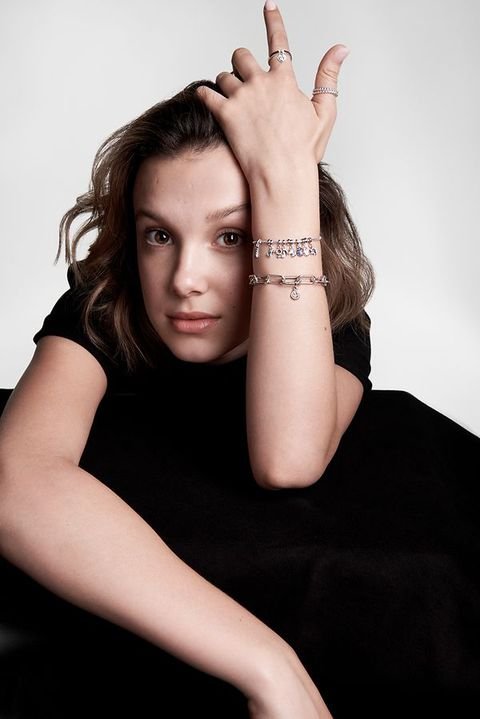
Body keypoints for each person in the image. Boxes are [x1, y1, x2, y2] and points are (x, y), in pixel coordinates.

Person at [4, 1, 476, 717]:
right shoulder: (109, 301)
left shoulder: (330, 318)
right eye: (159, 234)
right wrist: (269, 666)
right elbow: (17, 484)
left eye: (231, 237)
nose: (185, 278)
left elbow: (287, 460)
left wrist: (287, 181)